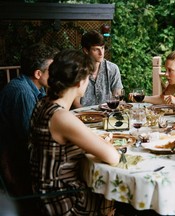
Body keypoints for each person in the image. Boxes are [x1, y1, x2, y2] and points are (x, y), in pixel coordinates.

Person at [29, 49, 120, 215]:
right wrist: (104, 142)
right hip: (62, 202)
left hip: (42, 194)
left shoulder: (43, 103)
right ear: (80, 82)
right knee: (113, 196)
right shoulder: (61, 117)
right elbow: (112, 156)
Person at [0, 43, 58, 215]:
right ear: (38, 74)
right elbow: (31, 137)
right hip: (15, 165)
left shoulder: (32, 88)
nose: (55, 75)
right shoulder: (22, 93)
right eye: (52, 71)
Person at [73, 30, 123, 108]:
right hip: (83, 116)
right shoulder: (78, 70)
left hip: (107, 114)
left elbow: (118, 97)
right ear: (86, 50)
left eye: (102, 48)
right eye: (96, 49)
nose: (101, 53)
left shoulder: (112, 69)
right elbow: (76, 103)